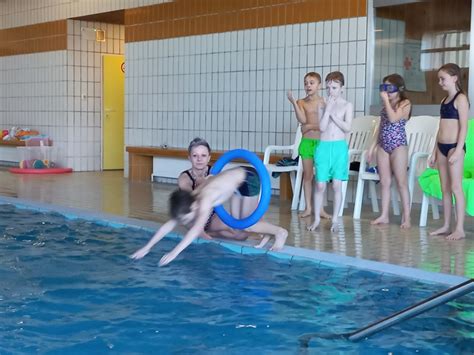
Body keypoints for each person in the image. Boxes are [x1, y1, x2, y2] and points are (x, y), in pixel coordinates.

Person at [130, 167, 249, 266]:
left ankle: (268, 233)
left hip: (248, 179)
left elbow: (196, 230)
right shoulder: (189, 200)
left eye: (185, 219)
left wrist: (174, 253)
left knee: (250, 226)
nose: (183, 223)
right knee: (240, 230)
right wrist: (147, 247)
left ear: (193, 208)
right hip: (235, 185)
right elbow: (169, 225)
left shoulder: (205, 201)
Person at [307, 71, 353, 232]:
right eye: (328, 88)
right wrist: (328, 110)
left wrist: (333, 113)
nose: (330, 91)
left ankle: (335, 219)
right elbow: (322, 127)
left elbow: (348, 127)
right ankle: (317, 219)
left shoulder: (347, 105)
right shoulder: (322, 105)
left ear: (342, 88)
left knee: (337, 185)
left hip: (339, 147)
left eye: (334, 87)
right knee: (320, 185)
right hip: (324, 147)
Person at [428, 63, 468, 240]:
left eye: (442, 79)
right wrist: (434, 151)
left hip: (454, 148)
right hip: (442, 148)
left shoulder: (461, 99)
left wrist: (459, 150)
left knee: (455, 187)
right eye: (439, 79)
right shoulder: (444, 101)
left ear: (454, 78)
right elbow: (440, 128)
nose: (440, 82)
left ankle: (459, 228)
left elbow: (464, 127)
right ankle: (446, 225)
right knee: (444, 188)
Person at [366, 74, 412, 229]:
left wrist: (386, 100)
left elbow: (393, 119)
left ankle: (407, 217)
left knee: (401, 182)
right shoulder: (385, 106)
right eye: (384, 88)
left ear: (399, 89)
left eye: (390, 88)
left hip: (398, 146)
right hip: (383, 146)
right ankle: (384, 215)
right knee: (385, 182)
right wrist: (372, 147)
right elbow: (381, 126)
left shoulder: (405, 103)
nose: (387, 92)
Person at [287, 72, 330, 219]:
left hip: (321, 144)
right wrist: (293, 102)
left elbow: (324, 125)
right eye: (306, 83)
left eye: (312, 83)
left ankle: (321, 209)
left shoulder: (324, 102)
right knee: (308, 176)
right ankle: (308, 208)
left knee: (321, 177)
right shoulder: (301, 102)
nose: (308, 86)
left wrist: (310, 126)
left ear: (319, 85)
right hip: (306, 143)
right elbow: (302, 120)